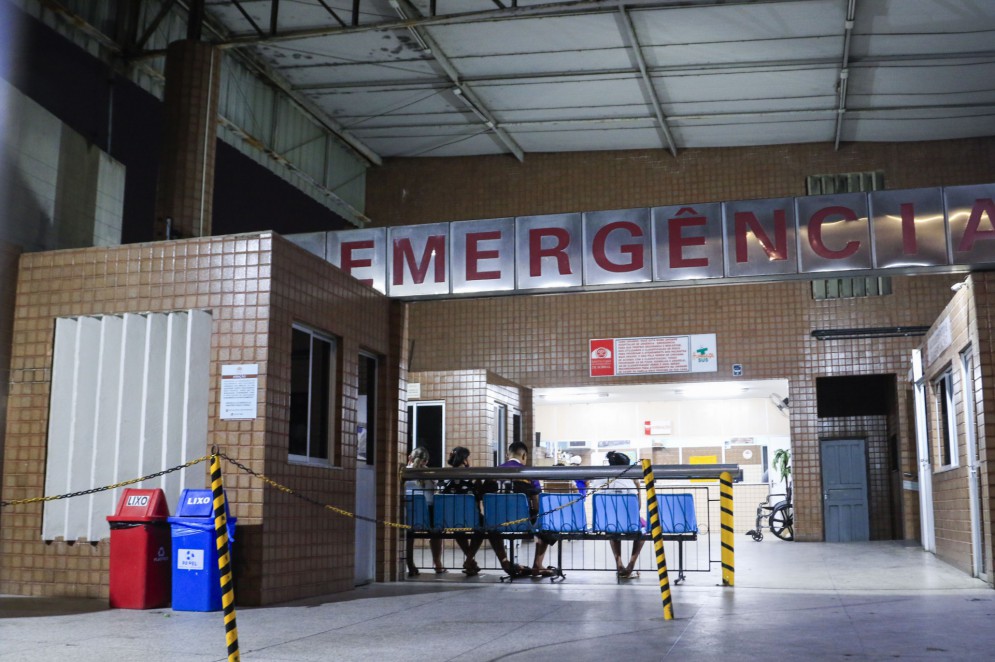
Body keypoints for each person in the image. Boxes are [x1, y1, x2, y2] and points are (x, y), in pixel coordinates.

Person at [499, 441, 556, 578]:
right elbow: (537, 502)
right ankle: (538, 564)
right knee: (547, 525)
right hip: (523, 521)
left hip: (497, 520)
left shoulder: (493, 472)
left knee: (493, 531)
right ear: (524, 455)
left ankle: (506, 562)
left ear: (508, 455)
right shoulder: (529, 473)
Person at [440, 446, 486, 576]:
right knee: (482, 524)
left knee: (457, 528)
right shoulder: (472, 477)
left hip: (450, 518)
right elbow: (479, 497)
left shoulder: (444, 476)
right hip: (471, 517)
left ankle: (470, 562)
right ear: (465, 460)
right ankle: (469, 560)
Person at [600, 451, 645, 579]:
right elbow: (638, 507)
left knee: (613, 531)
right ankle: (631, 564)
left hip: (608, 522)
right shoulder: (629, 482)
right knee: (643, 531)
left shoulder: (601, 479)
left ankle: (619, 564)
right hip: (628, 522)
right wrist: (638, 486)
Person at [404, 447, 446, 576]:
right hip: (427, 512)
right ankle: (437, 563)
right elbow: (433, 494)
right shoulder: (431, 475)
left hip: (407, 511)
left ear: (409, 458)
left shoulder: (403, 473)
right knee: (436, 531)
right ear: (426, 461)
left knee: (408, 534)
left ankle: (410, 564)